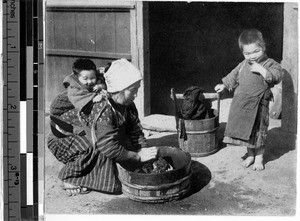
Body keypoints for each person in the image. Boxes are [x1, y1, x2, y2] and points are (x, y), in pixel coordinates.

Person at [47, 58, 158, 195]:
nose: (136, 94)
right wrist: (137, 157)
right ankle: (70, 176)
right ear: (119, 88)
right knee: (99, 151)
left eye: (137, 90)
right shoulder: (102, 107)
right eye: (132, 90)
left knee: (124, 144)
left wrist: (144, 152)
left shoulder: (128, 104)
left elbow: (135, 130)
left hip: (89, 133)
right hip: (65, 137)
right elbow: (108, 146)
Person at [214, 29, 284, 171]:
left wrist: (262, 70)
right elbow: (233, 75)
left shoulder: (270, 63)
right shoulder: (243, 64)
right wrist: (224, 85)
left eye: (256, 51)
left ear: (263, 48)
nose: (251, 56)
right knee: (246, 132)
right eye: (247, 53)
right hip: (243, 104)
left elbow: (278, 74)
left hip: (259, 106)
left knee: (258, 133)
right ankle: (250, 155)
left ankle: (259, 158)